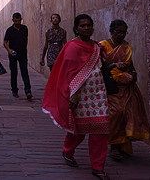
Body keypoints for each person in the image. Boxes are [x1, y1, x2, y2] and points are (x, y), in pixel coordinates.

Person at [42, 14, 111, 180]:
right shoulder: (73, 47)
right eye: (82, 26)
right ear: (76, 28)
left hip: (98, 94)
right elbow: (70, 72)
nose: (86, 28)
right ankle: (67, 151)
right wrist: (73, 95)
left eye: (89, 25)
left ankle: (98, 167)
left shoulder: (97, 47)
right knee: (78, 130)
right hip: (80, 95)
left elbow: (102, 67)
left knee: (100, 130)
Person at [100, 20, 150, 161]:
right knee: (116, 113)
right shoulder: (102, 46)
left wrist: (133, 74)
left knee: (128, 114)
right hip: (112, 86)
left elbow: (131, 65)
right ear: (112, 31)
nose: (121, 35)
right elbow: (100, 67)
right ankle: (114, 146)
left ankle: (123, 145)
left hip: (127, 87)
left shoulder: (126, 46)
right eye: (118, 32)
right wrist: (114, 65)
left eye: (124, 32)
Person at [3, 12, 32, 99]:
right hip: (13, 54)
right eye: (15, 21)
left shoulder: (24, 28)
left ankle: (28, 91)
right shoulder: (9, 30)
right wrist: (9, 50)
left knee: (24, 72)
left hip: (22, 53)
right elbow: (5, 42)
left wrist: (24, 48)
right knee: (14, 72)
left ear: (21, 20)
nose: (17, 22)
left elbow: (26, 39)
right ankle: (14, 90)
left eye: (19, 21)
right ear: (13, 20)